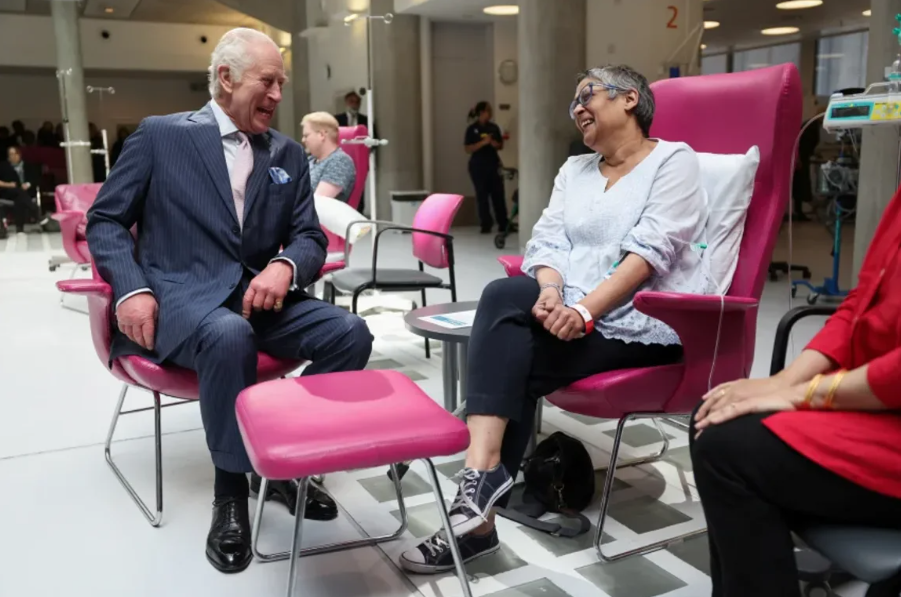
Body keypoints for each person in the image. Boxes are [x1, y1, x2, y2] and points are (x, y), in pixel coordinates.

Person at [400, 65, 710, 573]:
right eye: (573, 103)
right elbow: (546, 242)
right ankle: (480, 489)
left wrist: (585, 311)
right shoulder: (575, 170)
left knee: (511, 355)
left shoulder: (674, 161)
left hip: (643, 322)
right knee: (506, 295)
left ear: (629, 98)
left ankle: (477, 514)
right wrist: (550, 290)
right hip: (568, 303)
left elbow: (651, 251)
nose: (578, 108)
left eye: (586, 94)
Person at [86, 28, 373, 575]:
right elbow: (104, 219)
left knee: (351, 333)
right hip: (182, 297)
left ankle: (282, 462)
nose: (277, 95)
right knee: (227, 334)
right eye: (268, 81)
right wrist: (133, 288)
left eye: (281, 83)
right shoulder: (160, 136)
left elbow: (310, 236)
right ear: (225, 79)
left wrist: (285, 266)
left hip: (260, 299)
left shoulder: (287, 152)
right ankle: (231, 492)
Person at [691, 183, 901, 597]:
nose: (580, 113)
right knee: (714, 410)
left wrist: (809, 394)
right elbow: (862, 301)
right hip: (876, 397)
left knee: (727, 450)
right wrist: (783, 382)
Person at [464, 101, 508, 234]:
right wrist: (483, 142)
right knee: (482, 195)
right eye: (488, 110)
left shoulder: (493, 128)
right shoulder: (472, 129)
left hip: (493, 164)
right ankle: (485, 224)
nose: (490, 113)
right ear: (481, 112)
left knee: (498, 194)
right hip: (478, 166)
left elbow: (500, 145)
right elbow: (467, 148)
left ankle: (503, 223)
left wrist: (494, 143)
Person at [301, 112, 356, 203]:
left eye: (306, 135)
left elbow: (318, 202)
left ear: (322, 135)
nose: (303, 140)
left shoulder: (340, 161)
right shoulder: (310, 160)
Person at [0, 145, 42, 236]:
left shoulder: (28, 166)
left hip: (26, 192)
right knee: (18, 193)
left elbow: (36, 179)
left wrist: (28, 184)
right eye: (10, 154)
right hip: (8, 192)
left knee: (19, 198)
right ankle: (36, 213)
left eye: (15, 154)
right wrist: (9, 185)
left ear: (19, 155)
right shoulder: (3, 167)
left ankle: (20, 229)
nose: (13, 156)